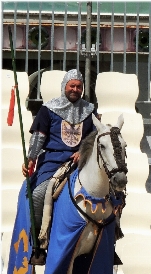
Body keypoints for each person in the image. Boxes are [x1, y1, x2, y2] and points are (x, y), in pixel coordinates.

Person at [22, 69, 98, 263]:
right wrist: (30, 158)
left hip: (80, 163)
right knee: (38, 194)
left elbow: (95, 137)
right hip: (53, 162)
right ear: (64, 86)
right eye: (72, 85)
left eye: (79, 86)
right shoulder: (48, 109)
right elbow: (39, 137)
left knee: (108, 195)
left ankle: (104, 243)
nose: (75, 89)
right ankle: (38, 247)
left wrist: (83, 151)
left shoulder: (89, 111)